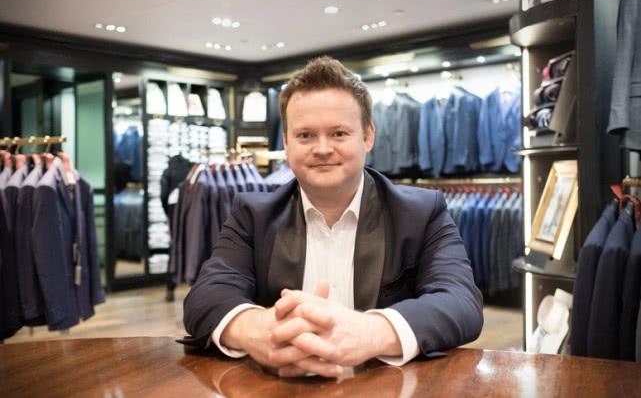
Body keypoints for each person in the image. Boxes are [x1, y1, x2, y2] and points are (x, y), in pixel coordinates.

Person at [182, 56, 483, 378]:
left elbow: (460, 301)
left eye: (339, 133)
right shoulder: (252, 215)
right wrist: (256, 329)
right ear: (286, 142)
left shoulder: (421, 213)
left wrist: (373, 332)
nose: (322, 148)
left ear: (368, 136)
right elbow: (206, 295)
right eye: (305, 135)